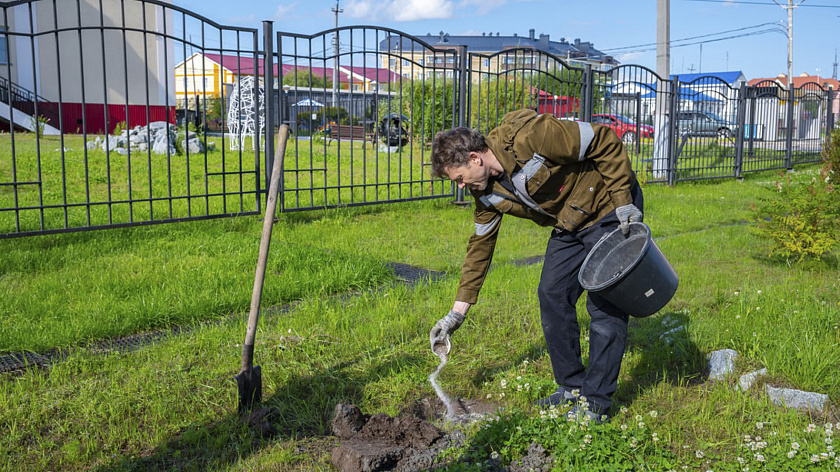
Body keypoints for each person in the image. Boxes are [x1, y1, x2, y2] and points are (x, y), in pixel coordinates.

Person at [428, 108, 644, 422]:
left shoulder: (531, 136)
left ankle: (596, 404)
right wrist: (456, 314)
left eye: (459, 178)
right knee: (552, 293)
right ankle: (571, 387)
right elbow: (479, 250)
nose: (460, 186)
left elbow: (604, 139)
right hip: (570, 222)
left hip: (608, 207)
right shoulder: (486, 195)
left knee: (604, 304)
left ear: (474, 158)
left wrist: (624, 199)